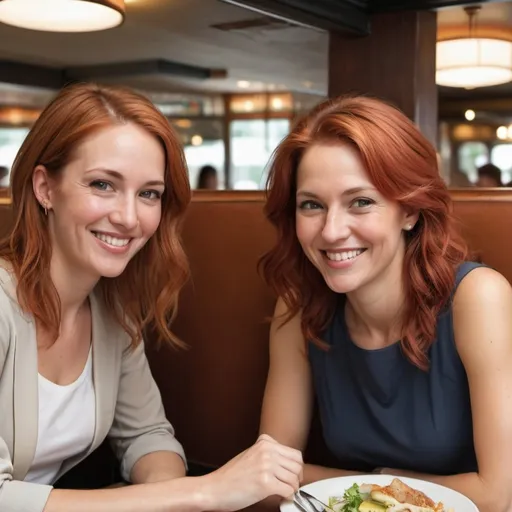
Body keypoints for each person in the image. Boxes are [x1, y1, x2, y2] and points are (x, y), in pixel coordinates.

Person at [0, 83, 302, 512]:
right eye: (103, 184)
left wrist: (166, 498)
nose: (128, 217)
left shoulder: (109, 311)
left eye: (148, 194)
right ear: (45, 188)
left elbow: (148, 436)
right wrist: (201, 492)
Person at [258, 96, 512, 512]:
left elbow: (498, 496)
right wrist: (388, 489)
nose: (332, 230)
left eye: (361, 201)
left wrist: (371, 487)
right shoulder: (297, 309)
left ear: (409, 210)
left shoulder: (478, 297)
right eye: (311, 204)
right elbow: (268, 479)